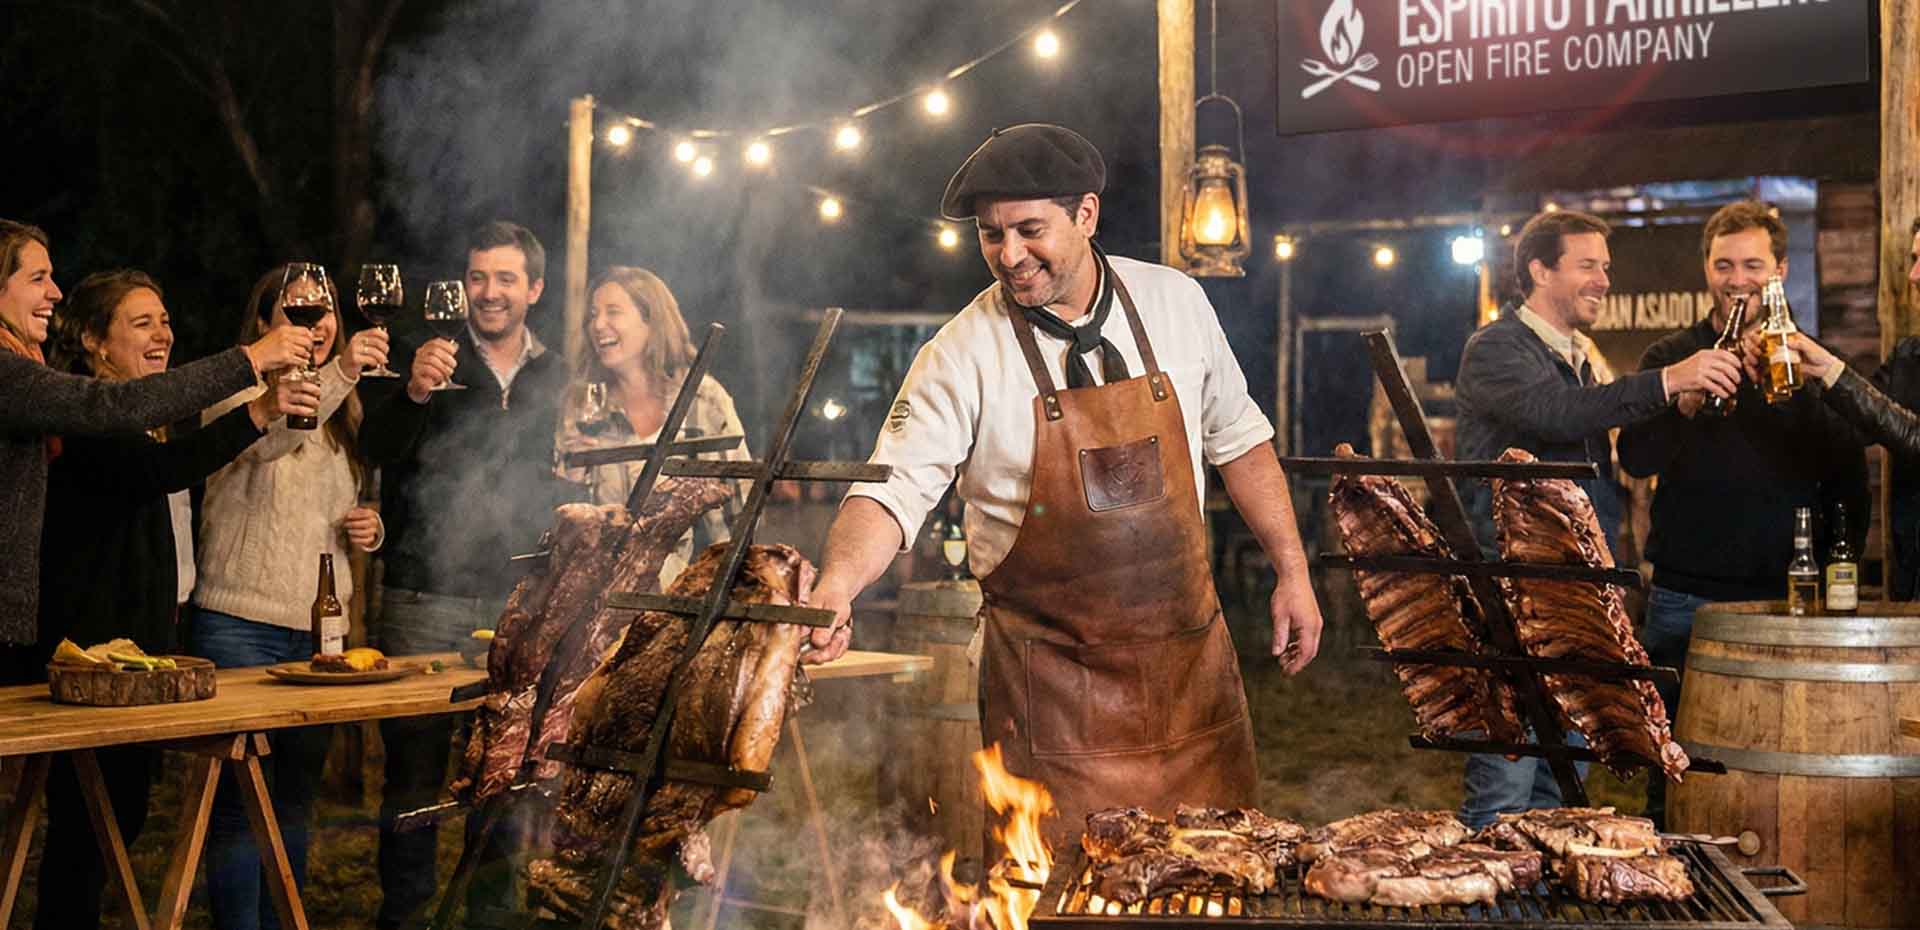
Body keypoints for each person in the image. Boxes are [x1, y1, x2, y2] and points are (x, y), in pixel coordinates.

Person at [798, 124, 1322, 854]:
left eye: (1029, 230)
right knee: (1059, 895)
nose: (1010, 255)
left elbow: (1240, 443)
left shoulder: (1176, 303)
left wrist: (1293, 571)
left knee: (1216, 880)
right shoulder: (961, 352)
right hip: (1051, 708)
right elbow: (891, 491)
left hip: (1191, 687)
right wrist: (837, 583)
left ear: (1086, 214)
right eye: (991, 235)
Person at [24, 270, 317, 930]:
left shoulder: (139, 420)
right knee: (87, 825)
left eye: (164, 320)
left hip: (135, 651)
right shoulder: (88, 414)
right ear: (94, 341)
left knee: (116, 817)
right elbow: (162, 471)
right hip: (90, 654)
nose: (162, 334)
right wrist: (258, 412)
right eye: (141, 323)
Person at [1453, 208, 1743, 828]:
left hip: (1575, 597)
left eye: (1605, 267)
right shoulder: (1497, 348)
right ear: (1539, 270)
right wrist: (1668, 380)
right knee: (1505, 785)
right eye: (1588, 266)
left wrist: (1677, 407)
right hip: (1512, 596)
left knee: (1563, 789)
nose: (1604, 281)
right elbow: (1557, 412)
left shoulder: (1580, 354)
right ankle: (1486, 887)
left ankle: (1544, 888)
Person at [1618, 201, 1869, 828]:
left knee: (1779, 770)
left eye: (1753, 265)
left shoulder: (1811, 358)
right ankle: (1667, 875)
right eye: (1723, 265)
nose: (1737, 279)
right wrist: (1683, 401)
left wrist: (1839, 576)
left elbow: (1847, 473)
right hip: (1684, 594)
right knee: (1671, 767)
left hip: (1787, 596)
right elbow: (1636, 456)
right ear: (1706, 268)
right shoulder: (1673, 353)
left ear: (1779, 270)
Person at [359, 220, 568, 928]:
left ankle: (489, 917)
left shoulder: (558, 373)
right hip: (425, 595)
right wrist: (414, 394)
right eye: (478, 276)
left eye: (506, 278)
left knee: (504, 774)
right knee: (413, 776)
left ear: (534, 289)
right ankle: (405, 917)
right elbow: (376, 447)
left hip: (518, 600)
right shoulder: (423, 355)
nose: (489, 291)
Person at [188, 264, 389, 930]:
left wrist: (369, 527)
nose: (317, 320)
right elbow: (273, 440)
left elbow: (335, 506)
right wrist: (345, 371)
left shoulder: (344, 411)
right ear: (264, 322)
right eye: (297, 307)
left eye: (324, 308)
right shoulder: (237, 390)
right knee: (237, 806)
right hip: (239, 623)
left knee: (295, 803)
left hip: (318, 633)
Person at [0, 219, 309, 653]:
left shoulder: (31, 373)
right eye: (38, 278)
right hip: (91, 641)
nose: (54, 291)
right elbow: (145, 445)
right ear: (93, 340)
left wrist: (263, 408)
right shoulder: (31, 388)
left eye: (164, 320)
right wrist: (251, 363)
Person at [555, 266, 750, 587]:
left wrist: (711, 593)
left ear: (651, 322)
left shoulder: (703, 400)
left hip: (679, 593)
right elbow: (562, 527)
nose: (598, 325)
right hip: (595, 593)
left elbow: (736, 521)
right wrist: (570, 481)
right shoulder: (584, 406)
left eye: (613, 312)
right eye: (593, 315)